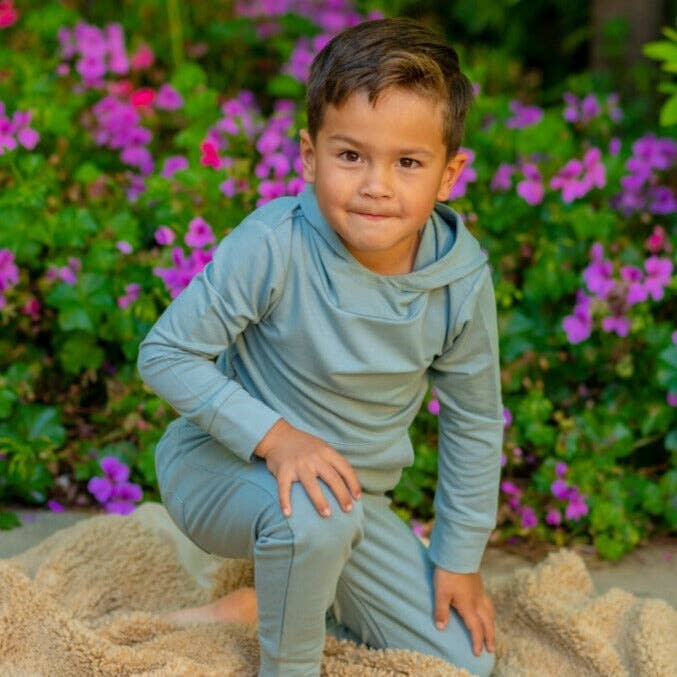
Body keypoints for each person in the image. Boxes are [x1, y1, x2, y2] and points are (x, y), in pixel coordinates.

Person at [137, 17, 503, 677]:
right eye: (350, 155)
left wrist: (459, 557)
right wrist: (277, 438)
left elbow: (474, 421)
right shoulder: (274, 244)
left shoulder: (460, 281)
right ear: (309, 156)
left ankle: (268, 602)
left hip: (346, 501)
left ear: (449, 173)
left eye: (408, 162)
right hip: (218, 469)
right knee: (313, 520)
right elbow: (165, 354)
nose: (376, 185)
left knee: (464, 659)